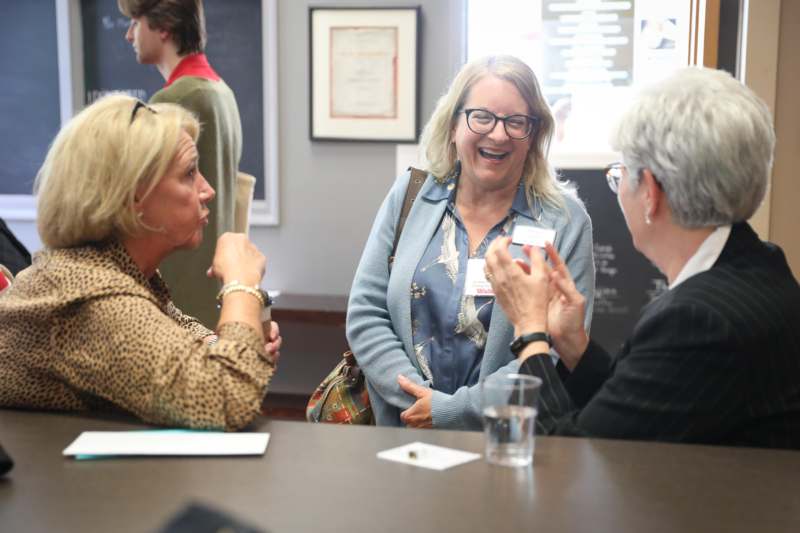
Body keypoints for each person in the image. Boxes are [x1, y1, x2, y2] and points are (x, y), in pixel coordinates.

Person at [484, 66, 800, 448]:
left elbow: (577, 453)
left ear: (649, 191)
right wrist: (574, 346)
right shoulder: (760, 263)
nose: (618, 189)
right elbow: (640, 412)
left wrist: (529, 331)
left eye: (619, 175)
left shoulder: (697, 322)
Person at [0, 94, 280, 431]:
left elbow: (178, 332)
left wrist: (238, 339)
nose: (208, 191)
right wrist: (241, 286)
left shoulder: (113, 271)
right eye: (189, 173)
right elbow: (225, 399)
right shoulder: (88, 297)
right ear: (132, 196)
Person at [346, 55, 595, 430]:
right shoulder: (411, 195)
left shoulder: (565, 222)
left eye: (516, 122)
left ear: (534, 134)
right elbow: (367, 312)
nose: (498, 134)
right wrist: (417, 403)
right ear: (453, 125)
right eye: (482, 117)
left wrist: (450, 410)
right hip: (402, 435)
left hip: (505, 445)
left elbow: (557, 350)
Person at [119, 0, 242, 327]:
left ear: (163, 28)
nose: (129, 35)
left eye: (136, 22)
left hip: (179, 284)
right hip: (210, 280)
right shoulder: (221, 92)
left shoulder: (174, 100)